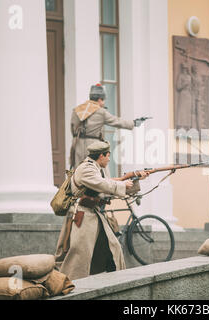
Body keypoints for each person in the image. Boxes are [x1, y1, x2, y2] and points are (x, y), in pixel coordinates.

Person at [54, 140, 149, 280]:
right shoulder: (86, 169)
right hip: (82, 214)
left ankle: (115, 280)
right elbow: (103, 184)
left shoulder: (94, 168)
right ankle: (68, 283)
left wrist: (135, 180)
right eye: (108, 155)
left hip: (92, 213)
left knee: (113, 247)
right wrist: (122, 184)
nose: (109, 159)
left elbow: (106, 188)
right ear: (101, 156)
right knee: (79, 253)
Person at [70, 83, 142, 169]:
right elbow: (117, 121)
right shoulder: (100, 112)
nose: (103, 103)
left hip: (77, 145)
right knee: (99, 172)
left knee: (79, 171)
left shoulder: (77, 110)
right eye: (103, 100)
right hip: (93, 146)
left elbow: (72, 128)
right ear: (100, 99)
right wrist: (133, 123)